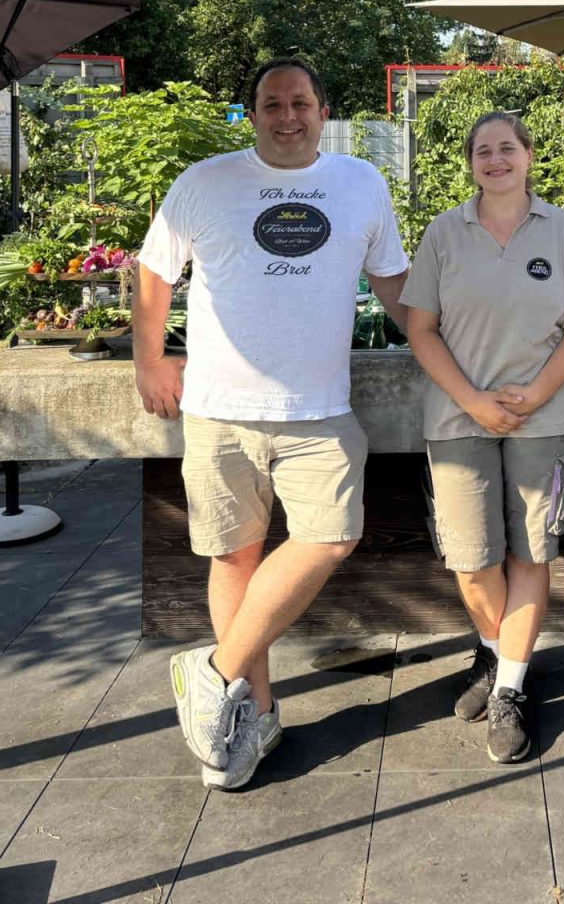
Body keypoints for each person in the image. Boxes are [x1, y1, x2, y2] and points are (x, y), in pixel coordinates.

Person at [133, 56, 408, 791]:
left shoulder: (361, 183)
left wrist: (454, 342)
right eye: (272, 103)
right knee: (233, 561)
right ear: (252, 112)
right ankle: (249, 716)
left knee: (331, 537)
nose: (288, 116)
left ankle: (213, 670)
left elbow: (393, 282)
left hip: (320, 407)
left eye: (302, 103)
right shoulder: (204, 182)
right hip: (218, 408)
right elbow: (156, 270)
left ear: (324, 111)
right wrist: (149, 360)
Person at [402, 112, 564, 763]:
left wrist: (539, 392)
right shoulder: (443, 232)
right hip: (457, 419)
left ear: (528, 156)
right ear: (470, 163)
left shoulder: (562, 229)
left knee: (530, 556)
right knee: (472, 560)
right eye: (483, 150)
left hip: (542, 421)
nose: (495, 159)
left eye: (506, 148)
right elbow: (421, 329)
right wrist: (473, 401)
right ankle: (497, 656)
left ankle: (510, 687)